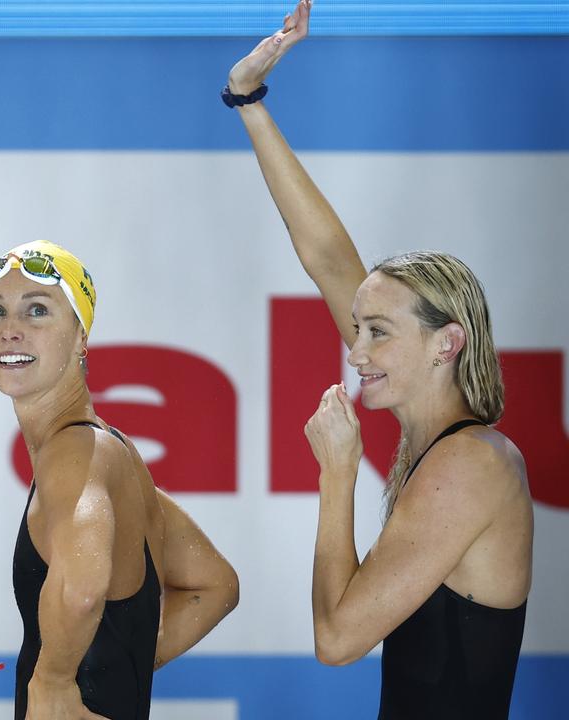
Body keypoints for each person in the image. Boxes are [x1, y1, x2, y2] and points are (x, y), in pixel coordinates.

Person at [227, 2, 533, 716]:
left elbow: (337, 639)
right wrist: (248, 101)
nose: (355, 351)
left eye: (377, 333)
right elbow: (330, 258)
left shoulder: (472, 466)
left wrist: (338, 475)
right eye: (357, 329)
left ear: (445, 343)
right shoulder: (440, 435)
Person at [0, 240, 240, 719]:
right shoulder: (110, 452)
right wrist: (121, 668)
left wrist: (55, 680)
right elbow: (214, 583)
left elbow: (82, 585)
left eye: (37, 311)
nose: (10, 330)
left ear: (81, 336)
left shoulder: (76, 453)